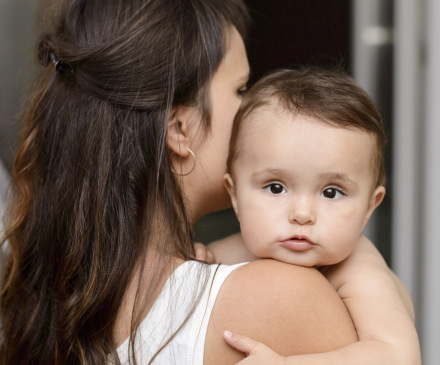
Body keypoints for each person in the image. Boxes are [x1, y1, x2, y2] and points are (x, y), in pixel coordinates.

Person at [1, 1, 390, 364]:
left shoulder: (50, 298)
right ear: (180, 129)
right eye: (241, 89)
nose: (255, 107)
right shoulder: (282, 298)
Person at [206, 68, 421, 364]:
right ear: (235, 195)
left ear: (369, 208)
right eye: (276, 187)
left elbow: (398, 355)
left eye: (331, 192)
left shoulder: (357, 268)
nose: (302, 214)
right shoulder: (231, 251)